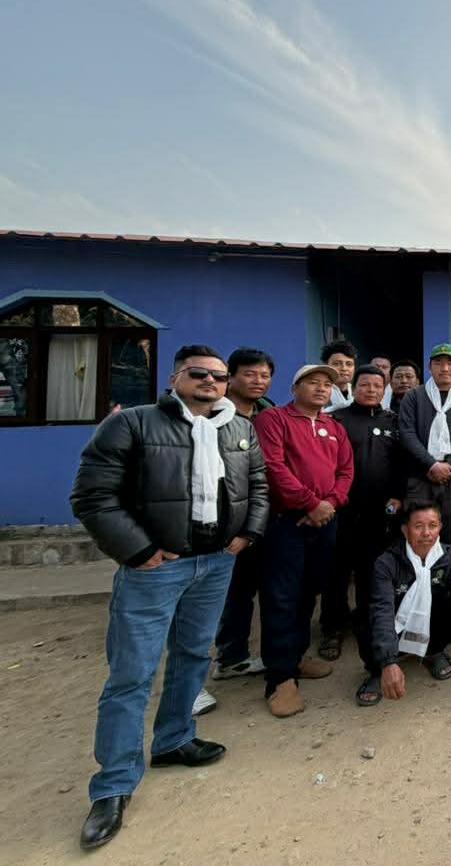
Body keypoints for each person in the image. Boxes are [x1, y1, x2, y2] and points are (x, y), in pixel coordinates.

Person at [69, 345, 268, 850]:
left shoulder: (238, 428)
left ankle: (174, 739)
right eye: (199, 373)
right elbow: (93, 495)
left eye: (218, 376)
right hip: (155, 568)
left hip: (216, 561)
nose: (210, 382)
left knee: (194, 654)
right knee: (132, 674)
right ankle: (113, 785)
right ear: (176, 377)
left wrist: (248, 533)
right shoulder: (133, 424)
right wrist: (138, 550)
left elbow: (258, 485)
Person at [254, 363, 354, 718]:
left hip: (325, 522)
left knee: (310, 591)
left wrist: (330, 504)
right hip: (287, 523)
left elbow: (346, 471)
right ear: (295, 387)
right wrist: (311, 503)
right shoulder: (274, 420)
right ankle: (279, 677)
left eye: (327, 384)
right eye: (313, 382)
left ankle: (295, 658)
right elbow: (273, 467)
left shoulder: (334, 427)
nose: (321, 388)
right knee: (281, 596)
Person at [363, 502, 451, 706]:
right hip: (395, 622)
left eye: (432, 525)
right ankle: (378, 671)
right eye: (418, 526)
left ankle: (432, 651)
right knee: (368, 618)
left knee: (448, 601)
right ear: (405, 530)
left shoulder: (448, 556)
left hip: (431, 619)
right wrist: (388, 662)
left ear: (440, 527)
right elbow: (383, 611)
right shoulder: (386, 563)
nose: (426, 533)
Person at [321, 365, 405, 662]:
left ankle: (368, 623)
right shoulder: (336, 420)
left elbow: (401, 464)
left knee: (371, 573)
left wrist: (397, 498)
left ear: (385, 390)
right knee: (337, 572)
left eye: (377, 386)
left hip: (380, 513)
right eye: (365, 385)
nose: (371, 390)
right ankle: (332, 627)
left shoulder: (393, 421)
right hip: (342, 510)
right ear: (354, 387)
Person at [210, 348, 275, 696]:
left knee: (251, 589)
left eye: (264, 375)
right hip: (224, 521)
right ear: (230, 377)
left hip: (262, 516)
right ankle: (220, 660)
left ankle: (235, 656)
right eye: (249, 374)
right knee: (225, 593)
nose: (258, 381)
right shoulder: (212, 416)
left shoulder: (268, 412)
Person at [397, 343, 451, 550]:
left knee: (448, 534)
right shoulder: (414, 397)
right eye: (438, 363)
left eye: (450, 363)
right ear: (430, 367)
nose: (444, 368)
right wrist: (431, 464)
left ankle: (444, 571)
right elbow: (407, 434)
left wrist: (450, 464)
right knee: (418, 532)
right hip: (420, 477)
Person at [321, 339, 358, 412]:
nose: (344, 368)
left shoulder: (359, 392)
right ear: (325, 366)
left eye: (349, 364)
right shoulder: (319, 392)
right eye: (337, 364)